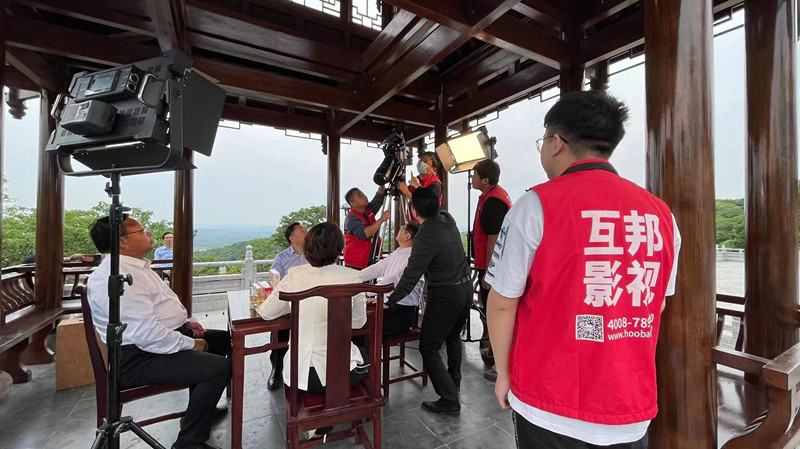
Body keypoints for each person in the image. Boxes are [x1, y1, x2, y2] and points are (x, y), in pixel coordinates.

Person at [486, 91, 681, 449]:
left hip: (548, 400)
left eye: (543, 141)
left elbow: (501, 303)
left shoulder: (535, 205)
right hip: (629, 404)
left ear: (557, 142)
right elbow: (658, 303)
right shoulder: (661, 214)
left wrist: (503, 373)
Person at [86, 216, 231, 449]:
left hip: (153, 343)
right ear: (122, 242)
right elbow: (145, 334)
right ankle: (189, 442)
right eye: (142, 231)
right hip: (138, 357)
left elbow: (162, 308)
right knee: (219, 368)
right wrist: (191, 344)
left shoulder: (137, 267)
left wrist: (188, 324)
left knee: (221, 340)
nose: (150, 234)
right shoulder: (118, 277)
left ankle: (199, 409)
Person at [387, 187, 471, 415]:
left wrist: (391, 301)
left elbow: (411, 275)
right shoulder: (447, 219)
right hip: (465, 289)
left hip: (447, 294)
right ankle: (454, 384)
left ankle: (449, 399)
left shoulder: (425, 235)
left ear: (414, 211)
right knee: (453, 338)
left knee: (428, 347)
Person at [258, 223, 370, 394]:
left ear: (308, 246)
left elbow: (266, 313)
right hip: (342, 372)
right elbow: (358, 322)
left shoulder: (294, 275)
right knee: (364, 355)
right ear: (339, 248)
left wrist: (295, 308)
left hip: (298, 375)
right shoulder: (353, 277)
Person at [470, 159, 512, 382]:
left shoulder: (493, 202)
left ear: (485, 180)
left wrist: (489, 271)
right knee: (489, 311)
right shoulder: (491, 196)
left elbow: (494, 239)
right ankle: (495, 353)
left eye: (475, 175)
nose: (472, 179)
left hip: (493, 269)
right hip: (488, 266)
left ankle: (500, 364)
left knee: (495, 314)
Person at [357, 221, 424, 337]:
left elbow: (393, 280)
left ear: (408, 236)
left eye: (402, 228)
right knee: (357, 324)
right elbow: (377, 268)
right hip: (387, 304)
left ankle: (368, 348)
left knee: (363, 331)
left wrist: (365, 292)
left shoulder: (413, 257)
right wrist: (356, 277)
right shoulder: (398, 252)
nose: (399, 229)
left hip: (401, 311)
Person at [266, 222, 309, 390]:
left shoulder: (315, 254)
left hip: (310, 301)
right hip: (288, 302)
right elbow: (274, 280)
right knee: (280, 332)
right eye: (302, 231)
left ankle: (306, 370)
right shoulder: (282, 257)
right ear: (292, 238)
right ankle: (277, 369)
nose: (307, 232)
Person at [343, 186, 390, 269]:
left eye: (363, 194)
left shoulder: (368, 210)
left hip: (370, 259)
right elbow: (364, 234)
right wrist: (382, 219)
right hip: (357, 262)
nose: (364, 196)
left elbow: (377, 201)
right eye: (359, 196)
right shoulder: (351, 218)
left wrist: (380, 191)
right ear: (353, 204)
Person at [397, 151, 443, 222]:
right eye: (421, 160)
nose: (422, 163)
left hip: (427, 223)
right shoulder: (417, 179)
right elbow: (405, 192)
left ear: (433, 169)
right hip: (412, 221)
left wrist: (407, 192)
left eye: (426, 162)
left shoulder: (435, 184)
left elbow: (426, 204)